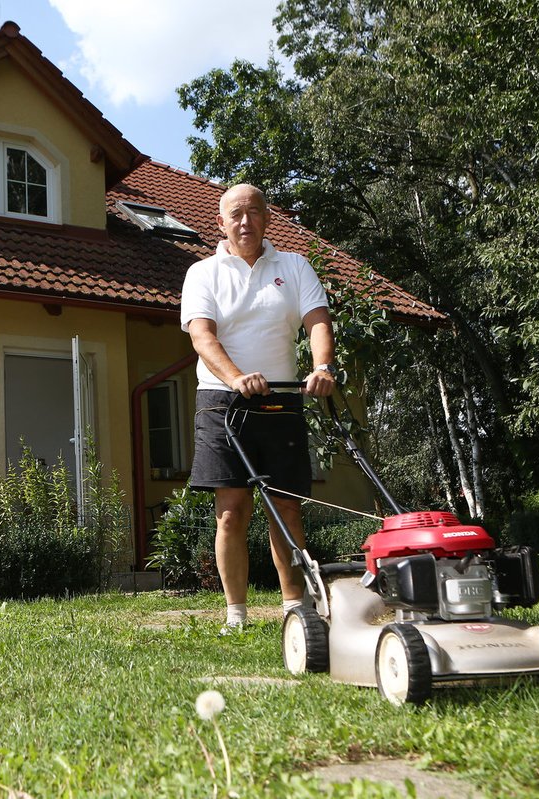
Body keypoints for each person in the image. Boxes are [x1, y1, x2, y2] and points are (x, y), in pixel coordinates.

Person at [180, 183, 336, 631]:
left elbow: (317, 322)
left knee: (286, 506)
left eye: (254, 212)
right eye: (236, 214)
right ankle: (236, 614)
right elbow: (202, 336)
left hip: (282, 398)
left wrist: (322, 366)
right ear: (221, 222)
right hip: (221, 401)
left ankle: (295, 607)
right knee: (232, 509)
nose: (244, 221)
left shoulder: (295, 265)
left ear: (267, 218)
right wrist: (236, 378)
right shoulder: (202, 273)